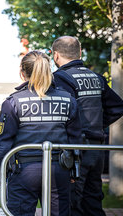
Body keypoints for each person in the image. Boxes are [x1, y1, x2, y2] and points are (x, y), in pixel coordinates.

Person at [0, 51, 82, 216]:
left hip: (24, 171)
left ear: (22, 73)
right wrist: (74, 170)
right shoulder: (68, 100)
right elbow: (76, 139)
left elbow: (3, 144)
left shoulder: (13, 102)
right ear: (48, 71)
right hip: (58, 170)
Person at [51, 36, 123, 216]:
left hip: (73, 149)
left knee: (72, 203)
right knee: (93, 200)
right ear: (80, 53)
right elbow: (117, 107)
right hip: (96, 147)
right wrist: (98, 124)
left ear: (56, 55)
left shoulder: (59, 79)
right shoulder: (96, 78)